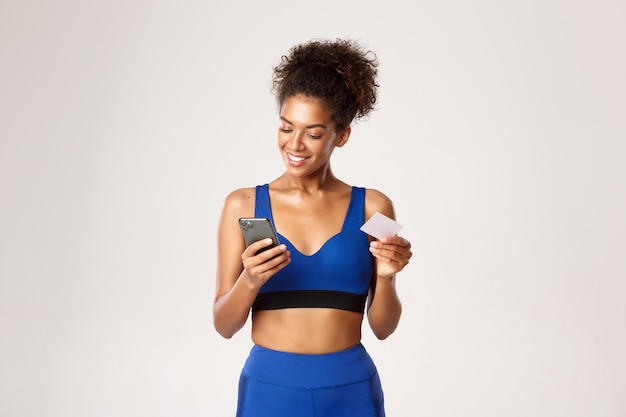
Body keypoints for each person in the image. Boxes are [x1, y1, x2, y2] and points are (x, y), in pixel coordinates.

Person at [213, 38, 413, 417]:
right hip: (269, 387)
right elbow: (224, 324)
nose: (296, 144)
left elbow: (384, 328)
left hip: (350, 388)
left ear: (342, 135)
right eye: (286, 128)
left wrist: (385, 278)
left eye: (314, 133)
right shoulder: (241, 204)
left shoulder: (374, 207)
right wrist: (250, 281)